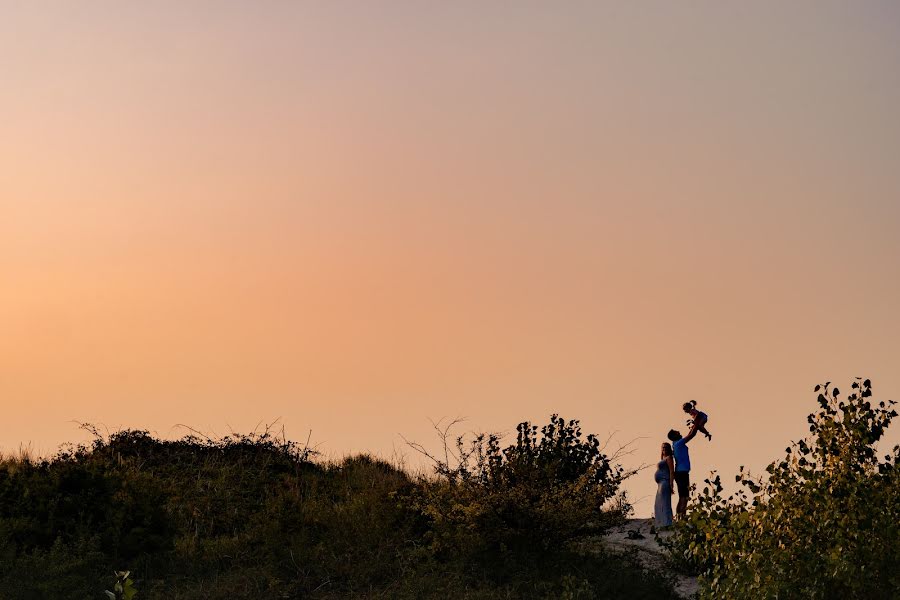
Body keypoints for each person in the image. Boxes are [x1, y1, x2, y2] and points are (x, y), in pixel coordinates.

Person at [668, 427, 697, 519]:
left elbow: (690, 433)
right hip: (682, 472)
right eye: (677, 433)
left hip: (681, 472)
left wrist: (694, 426)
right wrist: (697, 425)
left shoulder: (675, 444)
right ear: (675, 436)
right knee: (684, 496)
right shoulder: (679, 443)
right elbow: (691, 435)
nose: (679, 433)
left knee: (682, 496)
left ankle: (679, 516)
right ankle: (682, 517)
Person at [653, 442, 675, 527]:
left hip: (665, 483)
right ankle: (661, 522)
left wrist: (671, 484)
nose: (664, 449)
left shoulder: (669, 458)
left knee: (665, 503)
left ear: (669, 449)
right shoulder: (664, 458)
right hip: (660, 484)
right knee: (659, 503)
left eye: (666, 447)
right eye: (663, 448)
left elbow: (671, 471)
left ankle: (667, 523)